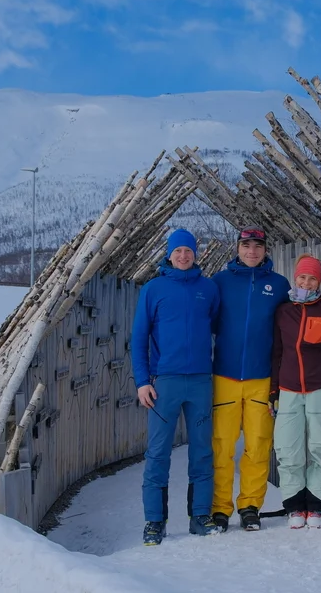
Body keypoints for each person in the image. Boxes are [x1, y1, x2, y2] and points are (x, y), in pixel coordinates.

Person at [131, 229, 222, 545]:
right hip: (163, 383)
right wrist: (143, 381)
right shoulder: (153, 290)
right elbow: (139, 339)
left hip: (199, 381)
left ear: (196, 254)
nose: (184, 256)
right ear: (169, 254)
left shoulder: (208, 289)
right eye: (178, 250)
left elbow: (213, 325)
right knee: (157, 453)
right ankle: (155, 521)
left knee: (202, 451)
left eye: (189, 250)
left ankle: (200, 516)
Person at [209, 225, 291, 532]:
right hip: (225, 375)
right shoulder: (220, 281)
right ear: (237, 248)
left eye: (257, 246)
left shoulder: (279, 285)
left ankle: (250, 505)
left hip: (262, 378)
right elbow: (207, 322)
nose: (251, 251)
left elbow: (288, 331)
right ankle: (220, 508)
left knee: (258, 445)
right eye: (246, 246)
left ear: (265, 249)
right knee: (222, 445)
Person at [270, 254, 321, 529]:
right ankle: (294, 506)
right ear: (295, 277)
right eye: (302, 276)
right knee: (288, 450)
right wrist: (272, 392)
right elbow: (276, 353)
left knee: (318, 448)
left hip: (319, 389)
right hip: (287, 389)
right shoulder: (283, 311)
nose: (306, 282)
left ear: (319, 281)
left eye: (312, 278)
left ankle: (316, 506)